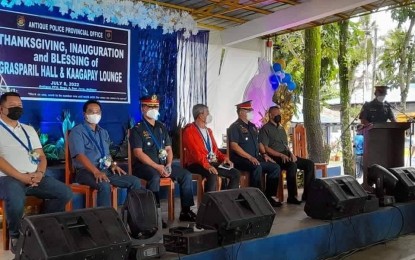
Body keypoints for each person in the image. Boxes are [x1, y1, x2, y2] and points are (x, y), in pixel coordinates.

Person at [0, 92, 72, 253]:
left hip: (34, 176)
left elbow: (41, 156)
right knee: (15, 196)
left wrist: (39, 173)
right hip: (8, 178)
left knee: (65, 193)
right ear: (1, 109)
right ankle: (16, 235)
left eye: (20, 105)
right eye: (12, 106)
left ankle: (39, 228)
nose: (17, 108)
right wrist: (21, 177)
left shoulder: (28, 129)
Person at [129, 95, 196, 222]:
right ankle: (155, 216)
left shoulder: (161, 127)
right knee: (154, 177)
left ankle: (186, 211)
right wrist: (156, 166)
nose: (154, 109)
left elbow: (169, 149)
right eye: (151, 106)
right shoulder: (137, 129)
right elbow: (138, 153)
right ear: (143, 108)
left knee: (186, 175)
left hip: (164, 165)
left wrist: (169, 164)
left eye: (156, 106)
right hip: (145, 166)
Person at [68, 99, 141, 207]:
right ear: (84, 114)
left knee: (134, 181)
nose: (95, 114)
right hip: (85, 172)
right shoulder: (77, 131)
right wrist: (96, 172)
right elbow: (79, 155)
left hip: (105, 170)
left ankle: (129, 215)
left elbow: (106, 154)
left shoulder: (103, 132)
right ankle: (105, 221)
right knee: (104, 185)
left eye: (97, 112)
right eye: (91, 111)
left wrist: (112, 165)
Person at [228, 100, 282, 207]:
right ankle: (254, 198)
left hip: (256, 157)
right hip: (242, 159)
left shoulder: (253, 126)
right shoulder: (235, 127)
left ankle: (269, 197)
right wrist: (249, 157)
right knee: (257, 167)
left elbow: (258, 143)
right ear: (241, 112)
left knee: (275, 167)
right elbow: (234, 146)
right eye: (248, 110)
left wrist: (264, 154)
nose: (251, 112)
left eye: (251, 110)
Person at [259, 105, 315, 204]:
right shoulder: (265, 129)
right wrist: (280, 155)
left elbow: (285, 145)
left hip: (286, 154)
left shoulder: (281, 128)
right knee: (292, 165)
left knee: (309, 164)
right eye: (276, 114)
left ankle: (308, 194)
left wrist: (291, 154)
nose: (279, 116)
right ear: (270, 115)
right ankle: (292, 196)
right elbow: (266, 148)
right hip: (275, 157)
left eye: (279, 114)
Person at [183, 104, 240, 192]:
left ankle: (228, 201)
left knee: (235, 173)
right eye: (207, 113)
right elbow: (196, 153)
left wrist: (225, 159)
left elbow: (216, 151)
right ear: (200, 115)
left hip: (210, 162)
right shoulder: (189, 131)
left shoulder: (208, 131)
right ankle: (208, 204)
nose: (209, 115)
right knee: (212, 174)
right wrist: (207, 166)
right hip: (196, 163)